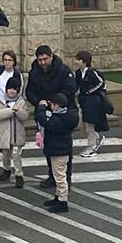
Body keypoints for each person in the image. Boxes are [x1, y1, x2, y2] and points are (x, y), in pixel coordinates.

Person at [26, 45, 77, 188]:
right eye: (40, 60)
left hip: (62, 112)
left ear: (51, 57)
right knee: (48, 146)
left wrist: (54, 102)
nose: (42, 62)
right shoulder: (35, 72)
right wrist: (39, 103)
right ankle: (52, 175)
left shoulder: (63, 71)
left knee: (63, 147)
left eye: (45, 59)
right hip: (44, 112)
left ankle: (65, 177)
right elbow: (30, 91)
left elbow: (70, 90)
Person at [36, 93, 78, 213]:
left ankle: (63, 201)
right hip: (62, 149)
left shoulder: (58, 119)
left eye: (52, 104)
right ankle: (58, 197)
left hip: (59, 151)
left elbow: (44, 121)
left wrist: (41, 108)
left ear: (56, 105)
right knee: (58, 175)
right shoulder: (67, 116)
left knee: (60, 177)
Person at [0, 75, 29, 188]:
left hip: (17, 134)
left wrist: (19, 111)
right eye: (9, 88)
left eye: (14, 89)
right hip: (4, 134)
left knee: (16, 155)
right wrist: (9, 111)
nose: (11, 91)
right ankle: (6, 170)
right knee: (5, 154)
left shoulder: (21, 102)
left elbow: (25, 116)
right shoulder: (1, 101)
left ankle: (19, 175)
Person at [73, 51, 113, 158]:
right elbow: (76, 86)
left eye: (78, 59)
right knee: (82, 124)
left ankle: (92, 146)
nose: (76, 61)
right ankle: (95, 139)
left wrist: (90, 91)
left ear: (84, 62)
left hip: (93, 103)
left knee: (89, 124)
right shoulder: (78, 73)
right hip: (83, 102)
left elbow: (101, 83)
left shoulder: (92, 72)